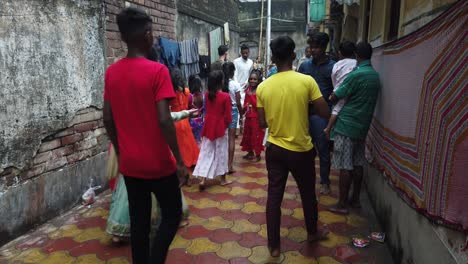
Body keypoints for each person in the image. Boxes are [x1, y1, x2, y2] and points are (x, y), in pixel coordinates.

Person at [103, 7, 186, 264]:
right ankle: (156, 259)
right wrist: (180, 162)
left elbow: (107, 118)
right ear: (148, 35)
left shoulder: (112, 72)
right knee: (172, 215)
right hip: (159, 164)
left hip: (131, 164)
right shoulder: (157, 71)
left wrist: (119, 149)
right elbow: (164, 119)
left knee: (139, 223)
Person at [257, 36, 331, 257]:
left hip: (275, 149)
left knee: (274, 196)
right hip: (301, 150)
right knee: (308, 194)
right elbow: (325, 112)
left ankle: (274, 246)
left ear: (272, 57)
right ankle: (311, 232)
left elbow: (262, 123)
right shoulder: (306, 81)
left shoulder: (263, 87)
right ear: (293, 55)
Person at [106, 110, 196, 243]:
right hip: (152, 157)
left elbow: (109, 121)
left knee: (127, 195)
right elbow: (165, 118)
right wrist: (186, 113)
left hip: (129, 157)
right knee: (165, 193)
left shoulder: (123, 110)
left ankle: (119, 232)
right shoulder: (147, 108)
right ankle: (171, 221)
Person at [328, 42, 381, 214]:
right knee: (358, 162)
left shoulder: (356, 75)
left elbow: (336, 95)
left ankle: (342, 204)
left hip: (347, 124)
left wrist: (331, 97)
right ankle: (355, 199)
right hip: (363, 125)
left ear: (357, 55)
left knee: (345, 165)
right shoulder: (374, 75)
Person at [298, 32, 336, 195]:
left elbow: (337, 90)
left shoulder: (333, 67)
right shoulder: (305, 66)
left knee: (323, 149)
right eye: (311, 47)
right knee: (304, 150)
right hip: (304, 113)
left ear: (324, 48)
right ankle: (305, 181)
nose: (312, 50)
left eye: (316, 47)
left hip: (321, 115)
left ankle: (325, 182)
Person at [193, 71, 233, 190]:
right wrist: (226, 126)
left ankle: (203, 179)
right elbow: (228, 117)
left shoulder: (207, 94)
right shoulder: (225, 96)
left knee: (206, 152)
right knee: (221, 153)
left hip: (208, 126)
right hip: (220, 127)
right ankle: (223, 180)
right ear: (221, 82)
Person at [324, 41, 357, 139]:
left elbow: (333, 77)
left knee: (336, 108)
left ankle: (328, 129)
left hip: (339, 90)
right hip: (351, 92)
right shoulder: (357, 63)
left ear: (340, 53)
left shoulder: (337, 65)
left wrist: (336, 88)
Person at [169, 68, 200, 169]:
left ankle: (182, 170)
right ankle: (190, 169)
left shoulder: (169, 93)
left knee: (180, 149)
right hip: (185, 122)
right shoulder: (187, 91)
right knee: (189, 146)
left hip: (174, 122)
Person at [223, 62, 243, 173]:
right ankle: (229, 166)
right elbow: (239, 102)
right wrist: (242, 114)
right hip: (233, 111)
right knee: (231, 139)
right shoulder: (235, 85)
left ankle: (222, 165)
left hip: (222, 112)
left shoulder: (220, 85)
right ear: (233, 72)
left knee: (223, 138)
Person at [240, 70, 265, 162]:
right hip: (248, 116)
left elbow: (260, 104)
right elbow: (246, 102)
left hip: (256, 117)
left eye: (255, 79)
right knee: (248, 135)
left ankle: (258, 154)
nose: (252, 81)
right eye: (251, 79)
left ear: (258, 80)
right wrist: (244, 108)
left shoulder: (259, 91)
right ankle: (250, 152)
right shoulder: (248, 90)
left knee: (256, 136)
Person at [188, 74, 204, 145]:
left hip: (192, 122)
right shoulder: (203, 96)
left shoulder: (190, 97)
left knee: (193, 142)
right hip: (201, 121)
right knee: (200, 141)